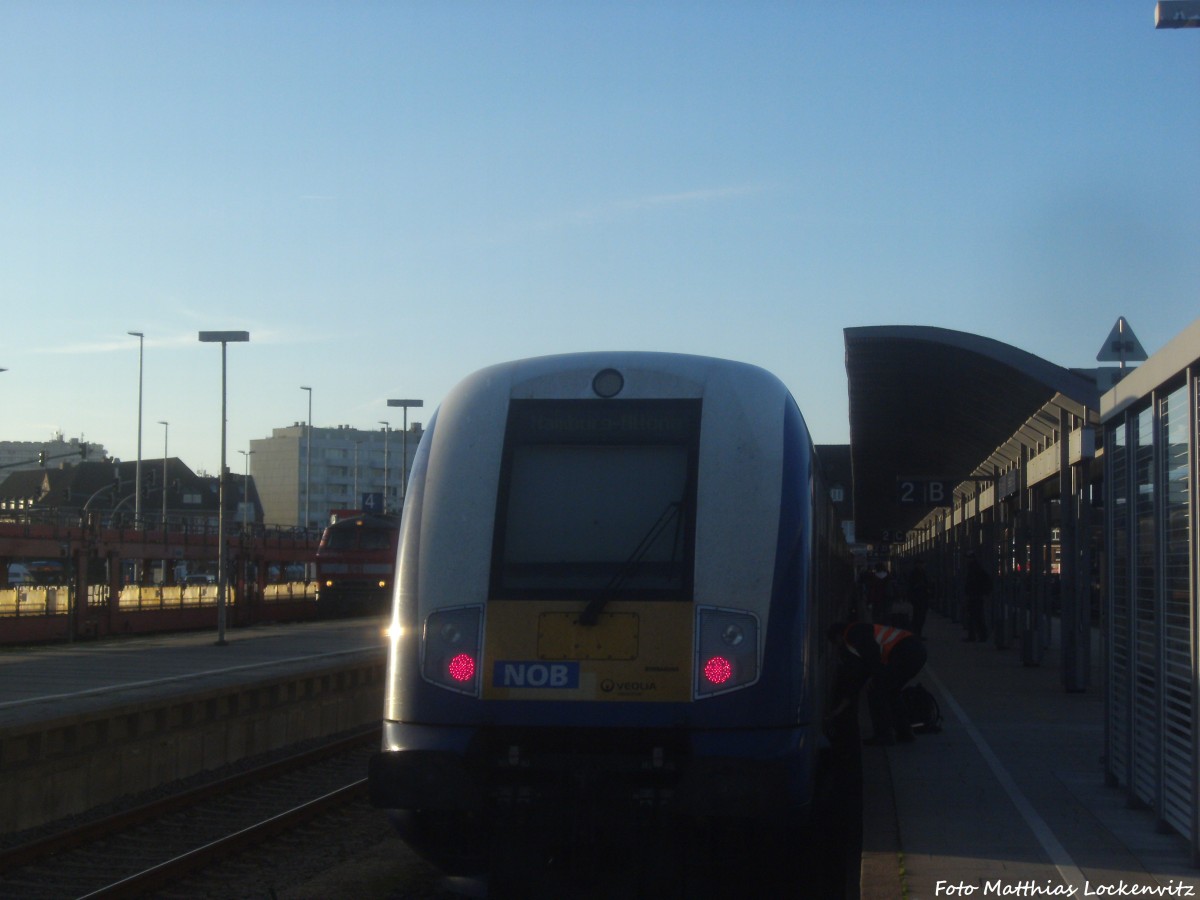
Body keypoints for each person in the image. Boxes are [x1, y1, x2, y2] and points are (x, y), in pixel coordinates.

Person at [825, 621, 927, 746]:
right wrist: (845, 702)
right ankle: (904, 732)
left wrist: (874, 678)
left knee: (876, 691)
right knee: (892, 692)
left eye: (835, 643)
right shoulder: (856, 634)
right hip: (915, 652)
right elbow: (861, 672)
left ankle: (884, 736)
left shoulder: (854, 634)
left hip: (906, 652)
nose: (837, 647)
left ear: (838, 636)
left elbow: (872, 658)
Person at [963, 552, 992, 642]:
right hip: (976, 595)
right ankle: (979, 635)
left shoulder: (974, 569)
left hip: (974, 596)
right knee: (976, 616)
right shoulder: (976, 568)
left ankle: (977, 636)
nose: (967, 560)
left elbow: (973, 582)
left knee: (975, 616)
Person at [907, 558, 930, 638]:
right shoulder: (918, 573)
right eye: (922, 564)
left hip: (919, 597)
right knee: (919, 616)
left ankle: (916, 633)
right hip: (919, 597)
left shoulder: (918, 573)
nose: (924, 565)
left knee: (918, 616)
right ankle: (917, 634)